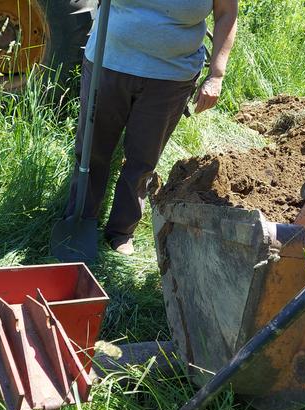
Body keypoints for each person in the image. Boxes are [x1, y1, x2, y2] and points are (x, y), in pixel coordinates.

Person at [63, 0, 239, 255]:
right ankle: (81, 216)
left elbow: (226, 14)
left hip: (170, 77)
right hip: (109, 61)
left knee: (142, 159)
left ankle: (121, 229)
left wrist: (217, 74)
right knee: (92, 150)